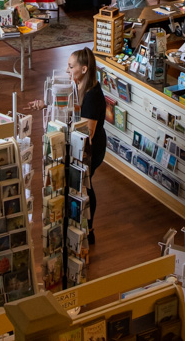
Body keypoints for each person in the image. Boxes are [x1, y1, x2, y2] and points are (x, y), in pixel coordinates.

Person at [68, 47, 106, 244]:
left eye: (71, 66)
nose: (68, 70)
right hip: (93, 145)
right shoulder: (83, 85)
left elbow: (87, 135)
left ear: (83, 69)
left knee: (87, 186)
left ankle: (90, 229)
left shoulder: (91, 96)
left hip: (93, 149)